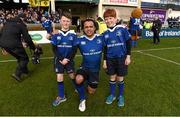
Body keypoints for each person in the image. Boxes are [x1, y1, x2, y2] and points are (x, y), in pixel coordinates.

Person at [72, 18, 103, 112]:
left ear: (94, 28)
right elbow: (66, 45)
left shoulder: (101, 38)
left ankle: (85, 83)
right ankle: (82, 99)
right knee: (78, 79)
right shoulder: (79, 40)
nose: (88, 29)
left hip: (95, 70)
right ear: (83, 29)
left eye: (91, 26)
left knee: (91, 91)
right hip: (84, 67)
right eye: (86, 27)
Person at [102, 9, 131, 107]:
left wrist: (128, 56)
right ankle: (112, 94)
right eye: (106, 19)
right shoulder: (105, 33)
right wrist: (105, 61)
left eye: (110, 18)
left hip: (121, 58)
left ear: (115, 19)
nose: (108, 20)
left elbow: (128, 42)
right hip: (110, 59)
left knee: (120, 78)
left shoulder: (122, 29)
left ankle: (121, 95)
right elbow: (105, 48)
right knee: (112, 77)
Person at [50, 11, 77, 107]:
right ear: (60, 21)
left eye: (67, 21)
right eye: (64, 21)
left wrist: (68, 59)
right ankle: (61, 96)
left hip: (69, 60)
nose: (65, 23)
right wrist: (61, 59)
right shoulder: (56, 34)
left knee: (72, 75)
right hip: (59, 60)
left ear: (70, 22)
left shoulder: (73, 35)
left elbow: (74, 49)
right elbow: (54, 48)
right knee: (59, 77)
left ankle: (77, 87)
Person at [0, 13, 36, 82]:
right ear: (22, 18)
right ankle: (17, 74)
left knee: (20, 57)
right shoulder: (21, 24)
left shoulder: (7, 23)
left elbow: (1, 34)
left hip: (3, 43)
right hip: (13, 43)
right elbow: (27, 38)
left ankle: (25, 71)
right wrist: (33, 48)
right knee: (25, 59)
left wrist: (2, 47)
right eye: (24, 19)